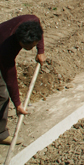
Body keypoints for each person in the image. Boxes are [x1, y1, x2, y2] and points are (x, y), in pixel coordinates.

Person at [0, 15, 46, 144]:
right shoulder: (6, 49)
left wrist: (40, 50)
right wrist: (18, 104)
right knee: (2, 94)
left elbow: (38, 30)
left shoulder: (32, 21)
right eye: (29, 46)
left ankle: (0, 133)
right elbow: (10, 78)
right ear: (19, 41)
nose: (32, 47)